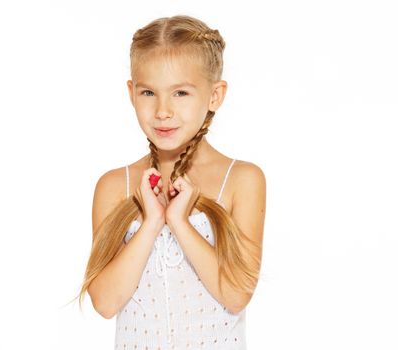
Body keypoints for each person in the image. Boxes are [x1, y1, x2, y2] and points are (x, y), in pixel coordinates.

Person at [74, 15, 266, 349]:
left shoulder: (241, 179)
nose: (163, 111)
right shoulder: (114, 185)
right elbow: (105, 303)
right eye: (149, 92)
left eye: (180, 93)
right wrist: (151, 223)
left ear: (215, 95)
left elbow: (237, 295)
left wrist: (179, 221)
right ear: (132, 93)